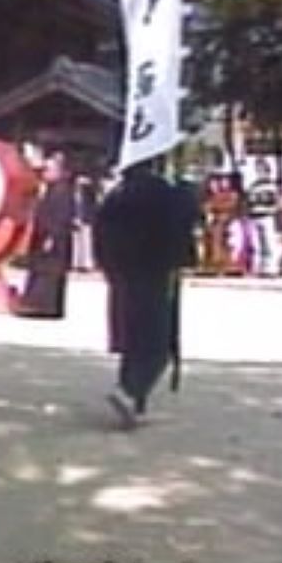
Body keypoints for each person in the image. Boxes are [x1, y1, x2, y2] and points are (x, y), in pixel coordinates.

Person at [94, 157, 200, 430]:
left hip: (125, 274)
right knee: (156, 341)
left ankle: (133, 395)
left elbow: (101, 235)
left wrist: (110, 268)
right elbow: (185, 221)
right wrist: (185, 192)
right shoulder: (166, 194)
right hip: (155, 271)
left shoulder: (116, 196)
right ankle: (130, 390)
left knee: (133, 337)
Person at [16, 152, 76, 318]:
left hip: (52, 238)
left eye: (49, 170)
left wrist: (51, 236)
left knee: (47, 274)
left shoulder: (62, 191)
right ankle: (36, 304)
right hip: (44, 236)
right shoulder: (51, 189)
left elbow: (61, 216)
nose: (45, 173)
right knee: (40, 271)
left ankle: (43, 307)